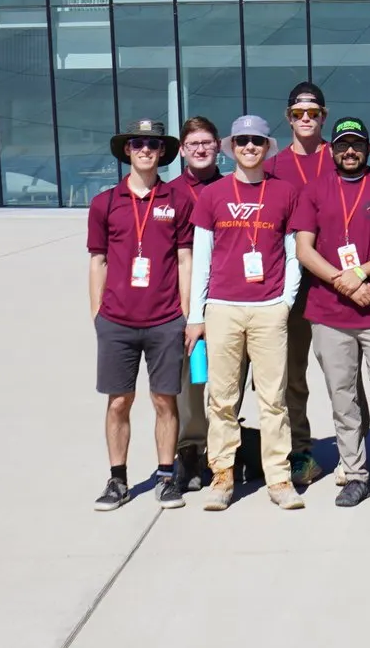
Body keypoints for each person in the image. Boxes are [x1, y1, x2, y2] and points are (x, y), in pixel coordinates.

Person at [291, 116, 370, 510]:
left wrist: (361, 272)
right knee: (343, 397)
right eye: (343, 144)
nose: (350, 151)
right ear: (332, 149)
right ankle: (356, 473)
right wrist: (341, 281)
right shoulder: (314, 189)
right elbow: (304, 249)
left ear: (367, 148)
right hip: (329, 312)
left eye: (357, 144)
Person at [185, 115, 306, 511]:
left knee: (273, 399)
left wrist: (285, 301)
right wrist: (196, 314)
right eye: (242, 141)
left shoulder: (285, 192)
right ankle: (222, 476)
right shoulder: (214, 194)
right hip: (223, 307)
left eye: (256, 140)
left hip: (268, 308)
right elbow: (202, 257)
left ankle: (279, 477)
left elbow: (292, 255)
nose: (249, 147)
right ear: (231, 147)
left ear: (267, 146)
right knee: (221, 398)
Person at [86, 120, 194, 511]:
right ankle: (118, 480)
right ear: (127, 150)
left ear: (163, 151)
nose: (146, 149)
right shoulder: (105, 202)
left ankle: (166, 477)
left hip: (165, 319)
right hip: (117, 321)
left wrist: (184, 314)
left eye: (153, 143)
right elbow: (97, 261)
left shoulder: (177, 200)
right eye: (138, 143)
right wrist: (98, 315)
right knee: (118, 402)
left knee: (165, 401)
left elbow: (185, 259)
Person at [271, 82, 334, 491]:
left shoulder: (343, 154)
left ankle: (353, 450)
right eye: (298, 113)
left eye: (313, 112)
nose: (306, 119)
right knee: (291, 374)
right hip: (289, 287)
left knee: (341, 373)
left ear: (323, 116)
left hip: (333, 283)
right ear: (288, 117)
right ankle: (301, 451)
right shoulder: (274, 164)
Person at [170, 114, 224, 486]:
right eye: (194, 144)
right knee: (189, 383)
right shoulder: (170, 192)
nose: (201, 149)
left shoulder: (235, 187)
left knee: (226, 383)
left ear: (219, 146)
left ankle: (224, 452)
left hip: (227, 297)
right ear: (182, 151)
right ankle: (190, 449)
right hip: (181, 302)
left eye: (207, 142)